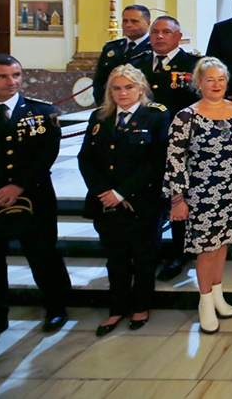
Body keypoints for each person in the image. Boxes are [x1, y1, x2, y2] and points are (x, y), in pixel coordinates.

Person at [0, 55, 71, 354]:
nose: (12, 82)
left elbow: (46, 153)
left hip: (33, 198)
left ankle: (56, 308)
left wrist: (17, 186)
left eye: (16, 75)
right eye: (2, 76)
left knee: (43, 255)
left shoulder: (41, 113)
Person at [77, 65, 170, 336]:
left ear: (141, 88)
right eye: (116, 88)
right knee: (115, 258)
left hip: (142, 201)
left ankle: (141, 306)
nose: (122, 93)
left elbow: (156, 161)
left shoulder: (156, 116)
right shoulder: (100, 116)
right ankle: (117, 308)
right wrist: (104, 192)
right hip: (105, 202)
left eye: (129, 87)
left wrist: (121, 193)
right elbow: (86, 159)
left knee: (143, 256)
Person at [163, 57, 232, 334]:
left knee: (222, 245)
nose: (216, 84)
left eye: (221, 79)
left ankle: (218, 295)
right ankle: (205, 302)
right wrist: (177, 199)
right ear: (199, 83)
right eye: (210, 80)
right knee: (206, 249)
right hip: (201, 193)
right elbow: (175, 160)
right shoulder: (186, 116)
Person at [133, 16, 202, 281]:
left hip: (181, 144)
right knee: (149, 199)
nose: (160, 36)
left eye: (166, 32)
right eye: (155, 32)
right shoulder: (137, 64)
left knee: (179, 197)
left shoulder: (193, 65)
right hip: (144, 143)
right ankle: (149, 251)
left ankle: (179, 252)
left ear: (178, 36)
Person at [93, 5, 153, 106]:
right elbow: (99, 82)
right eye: (125, 21)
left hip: (143, 108)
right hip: (111, 107)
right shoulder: (111, 48)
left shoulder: (154, 48)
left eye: (134, 21)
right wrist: (105, 107)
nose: (128, 25)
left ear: (148, 23)